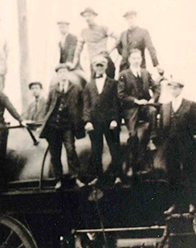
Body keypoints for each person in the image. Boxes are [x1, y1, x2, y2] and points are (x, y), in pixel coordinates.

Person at [157, 79, 196, 214]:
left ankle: (192, 203)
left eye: (176, 88)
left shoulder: (190, 105)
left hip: (186, 143)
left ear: (181, 89)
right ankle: (175, 204)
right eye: (171, 88)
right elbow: (161, 127)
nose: (173, 91)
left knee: (189, 172)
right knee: (172, 174)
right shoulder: (165, 106)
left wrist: (193, 139)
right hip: (170, 144)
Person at [82, 55, 123, 185]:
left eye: (101, 66)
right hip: (94, 123)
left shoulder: (113, 83)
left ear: (105, 67)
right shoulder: (89, 85)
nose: (99, 68)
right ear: (93, 68)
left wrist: (115, 119)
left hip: (109, 122)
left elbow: (116, 103)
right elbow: (86, 105)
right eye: (97, 66)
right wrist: (87, 121)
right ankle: (98, 177)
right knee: (96, 150)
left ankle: (118, 176)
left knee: (114, 149)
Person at [117, 51, 159, 177]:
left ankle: (151, 139)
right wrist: (135, 101)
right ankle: (132, 165)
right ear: (129, 60)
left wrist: (153, 99)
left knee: (152, 111)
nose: (136, 60)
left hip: (145, 107)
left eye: (138, 58)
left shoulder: (145, 73)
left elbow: (156, 87)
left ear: (141, 59)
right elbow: (121, 95)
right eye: (133, 58)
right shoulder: (123, 74)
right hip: (131, 109)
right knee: (133, 135)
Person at [43, 65, 85, 188]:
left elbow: (82, 105)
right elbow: (48, 106)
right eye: (60, 72)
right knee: (55, 154)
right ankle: (58, 179)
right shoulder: (53, 90)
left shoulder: (76, 88)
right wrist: (45, 120)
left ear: (68, 74)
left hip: (68, 126)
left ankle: (75, 177)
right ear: (57, 75)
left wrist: (81, 120)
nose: (62, 74)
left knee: (70, 150)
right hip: (54, 126)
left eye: (64, 72)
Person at [76, 7, 116, 79]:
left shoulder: (103, 28)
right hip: (93, 61)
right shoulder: (84, 31)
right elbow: (78, 48)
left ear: (94, 16)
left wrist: (110, 50)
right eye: (85, 16)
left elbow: (118, 38)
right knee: (93, 84)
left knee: (110, 82)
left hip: (104, 59)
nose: (87, 18)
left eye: (89, 15)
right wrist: (74, 62)